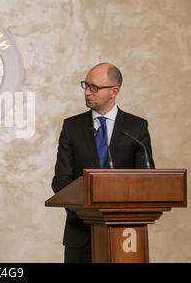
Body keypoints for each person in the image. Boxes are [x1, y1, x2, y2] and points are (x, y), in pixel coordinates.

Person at [51, 63, 155, 263]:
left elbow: (147, 180)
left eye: (94, 87)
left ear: (114, 91)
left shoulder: (136, 128)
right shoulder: (71, 127)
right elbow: (61, 181)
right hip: (80, 234)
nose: (87, 92)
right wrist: (89, 207)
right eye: (86, 85)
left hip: (126, 235)